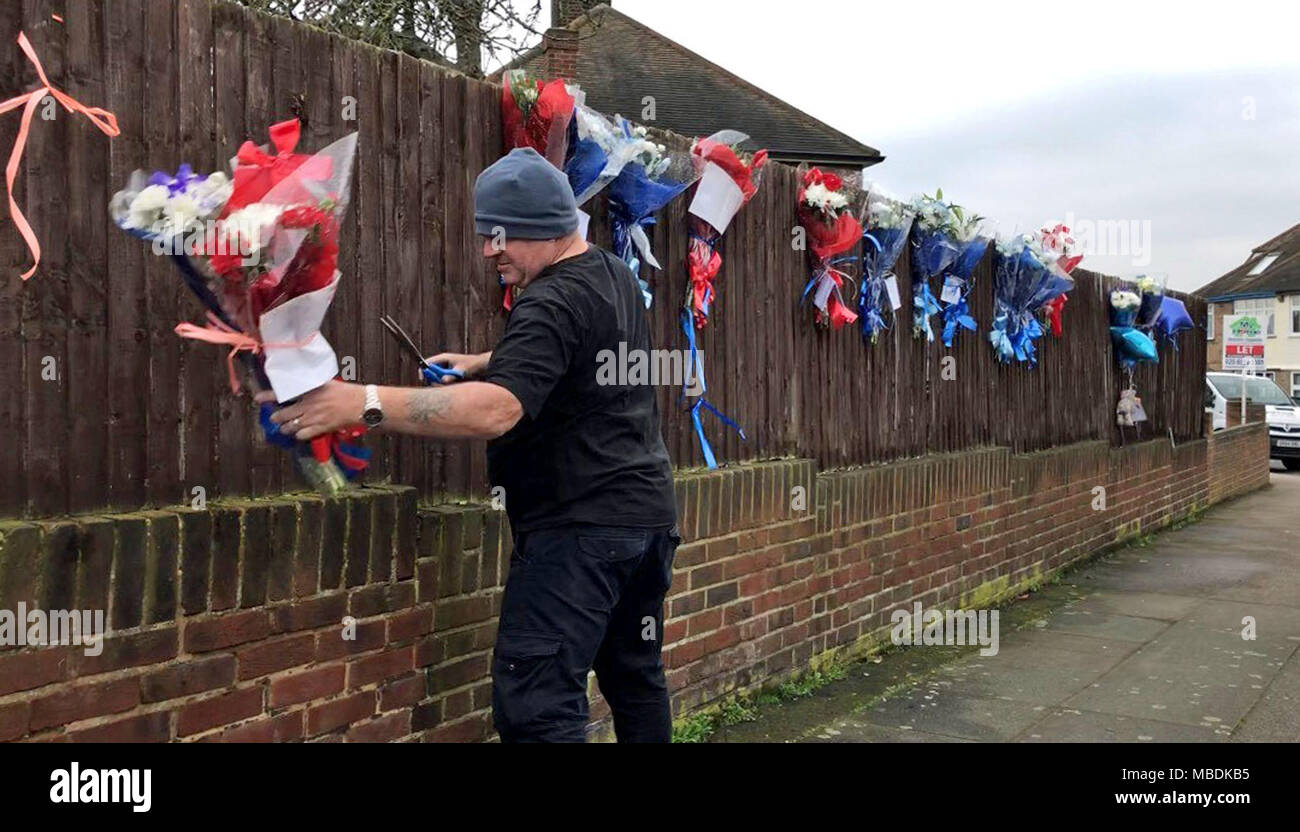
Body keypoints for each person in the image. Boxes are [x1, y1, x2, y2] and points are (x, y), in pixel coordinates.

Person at [260, 147, 680, 742]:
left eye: (500, 236)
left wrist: (359, 402)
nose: (490, 251)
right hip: (645, 525)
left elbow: (497, 411)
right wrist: (487, 361)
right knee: (635, 679)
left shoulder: (549, 300)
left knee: (537, 708)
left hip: (579, 534)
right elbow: (583, 355)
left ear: (539, 226)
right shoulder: (608, 272)